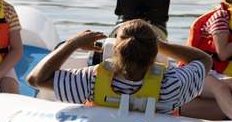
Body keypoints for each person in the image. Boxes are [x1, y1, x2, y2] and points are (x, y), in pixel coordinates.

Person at [27, 19, 210, 114]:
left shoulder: (92, 79)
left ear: (115, 48)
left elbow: (36, 79)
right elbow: (204, 61)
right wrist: (162, 44)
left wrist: (72, 43)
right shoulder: (172, 84)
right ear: (154, 51)